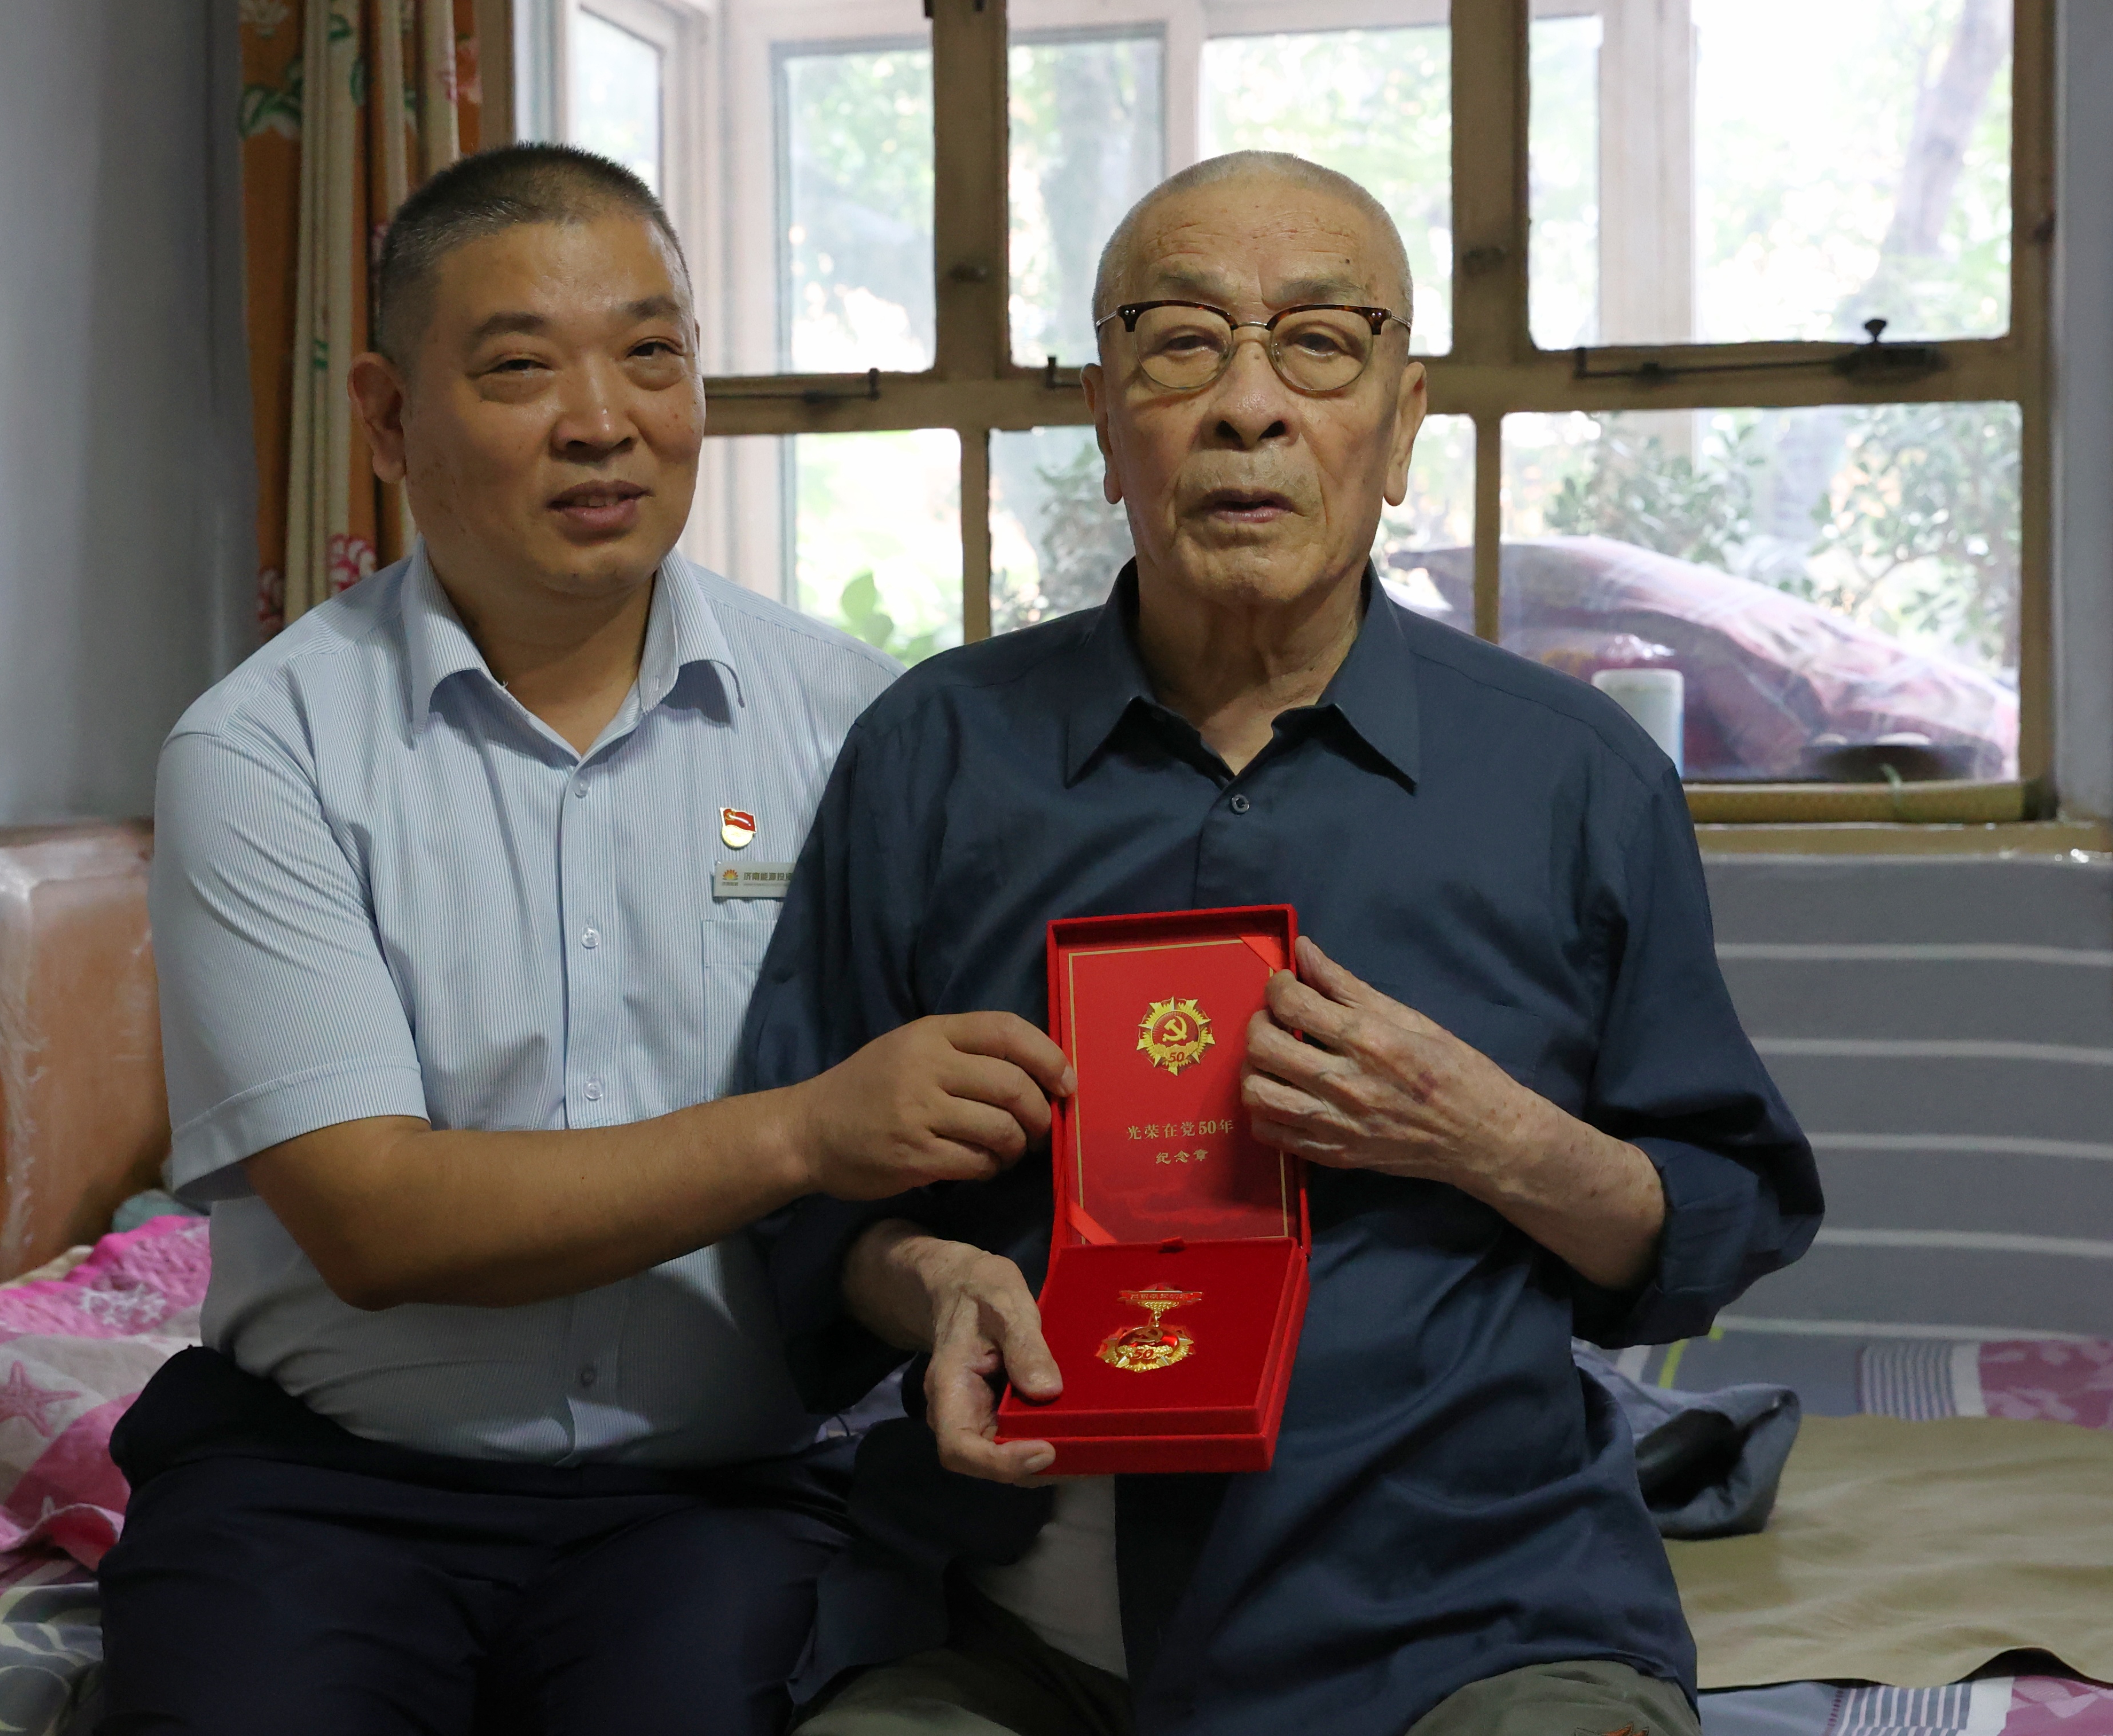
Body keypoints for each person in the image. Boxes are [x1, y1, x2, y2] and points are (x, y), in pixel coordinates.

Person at [739, 151, 1822, 1736]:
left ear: (1403, 422)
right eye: (1182, 343)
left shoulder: (1574, 778)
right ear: (1104, 420)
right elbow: (806, 1210)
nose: (1249, 408)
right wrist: (931, 1280)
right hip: (1001, 1630)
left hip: (1468, 1626)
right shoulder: (935, 754)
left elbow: (1717, 1222)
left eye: (1319, 344)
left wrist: (1494, 1139)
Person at [95, 144, 1073, 1736]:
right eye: (520, 368)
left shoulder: (854, 727)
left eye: (651, 354)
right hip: (325, 1490)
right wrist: (803, 1133)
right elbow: (375, 1220)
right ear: (387, 418)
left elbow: (926, 1158)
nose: (602, 420)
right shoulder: (265, 750)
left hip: (727, 1498)